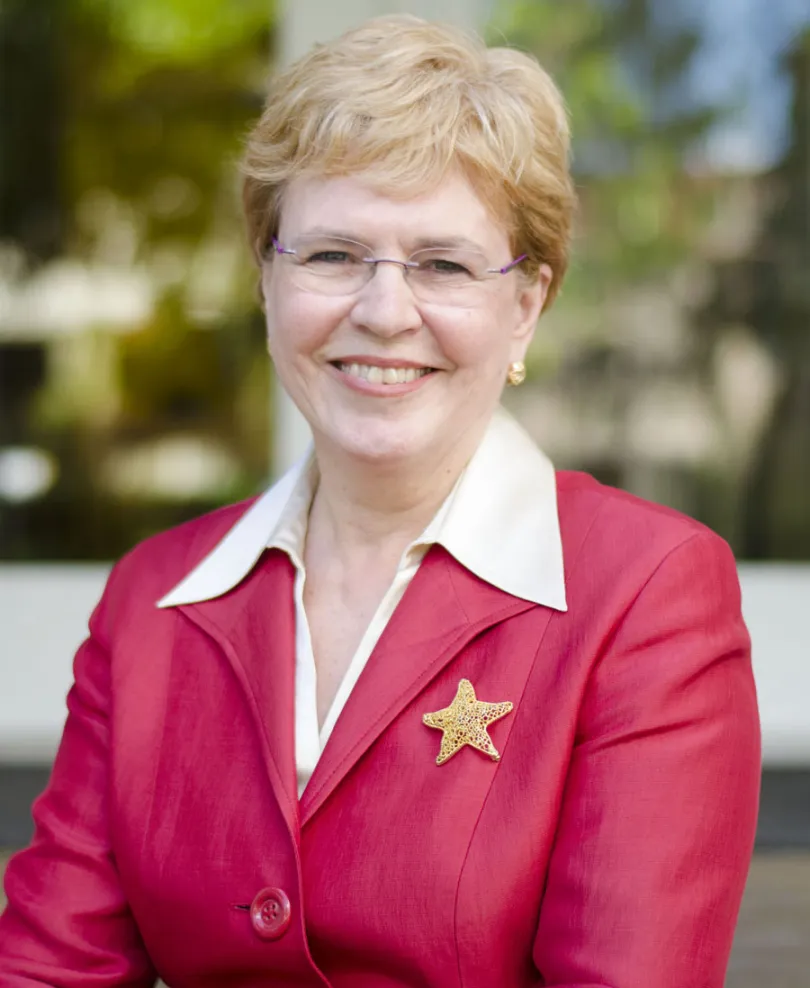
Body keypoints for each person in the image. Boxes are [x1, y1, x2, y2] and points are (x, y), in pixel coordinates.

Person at [0, 15, 760, 988]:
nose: (384, 311)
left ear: (526, 305)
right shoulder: (152, 599)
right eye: (332, 255)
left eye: (443, 264)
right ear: (267, 279)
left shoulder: (646, 595)